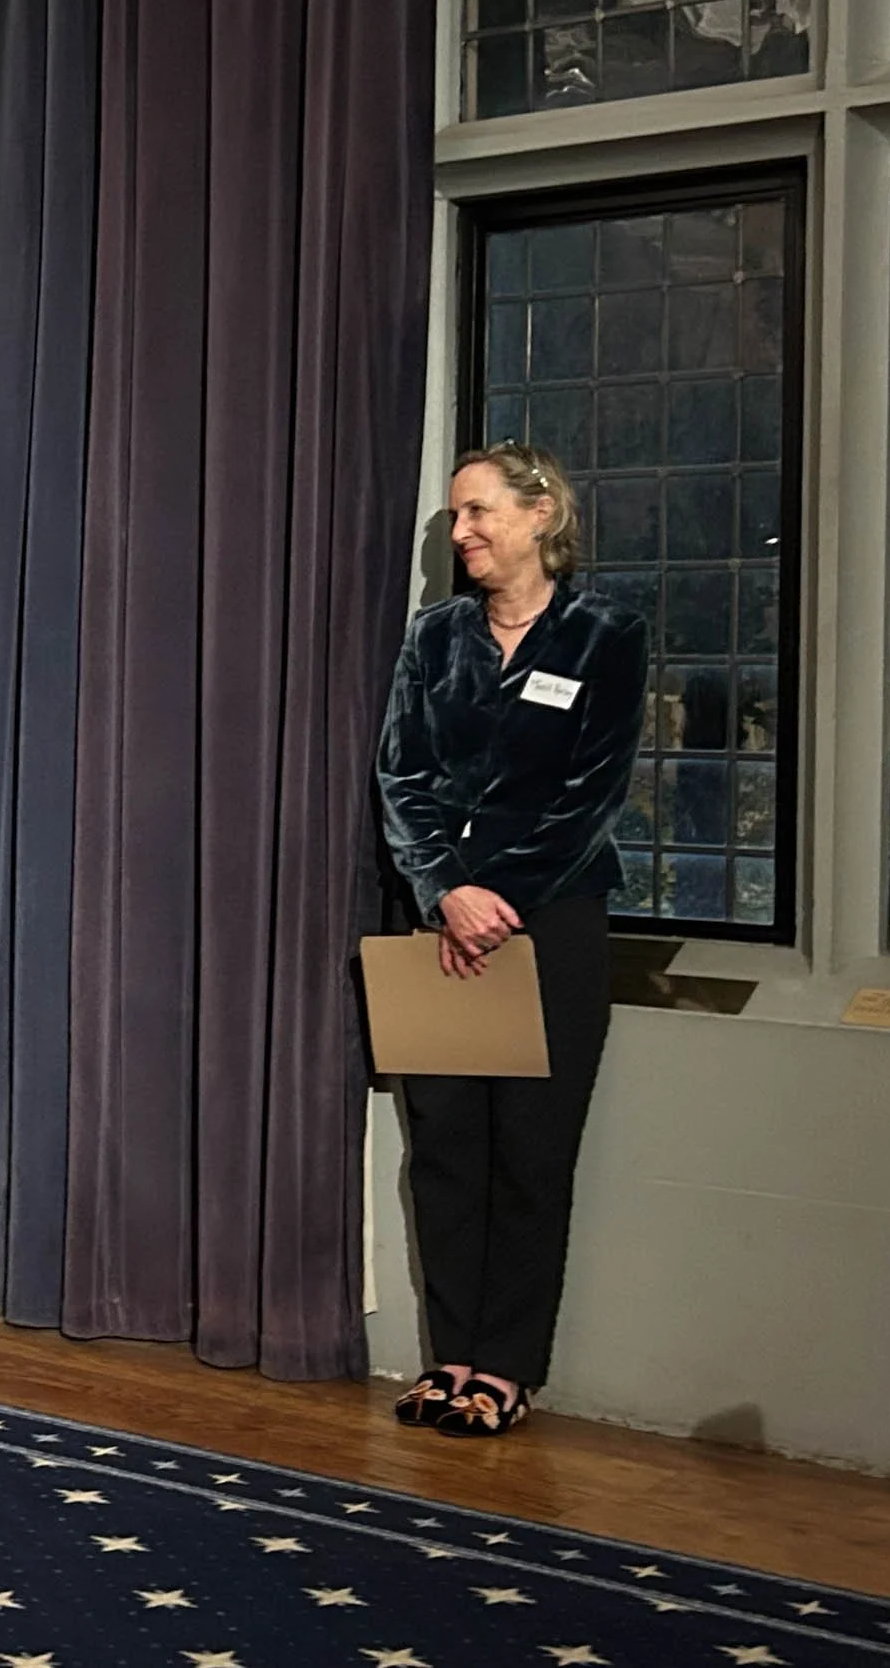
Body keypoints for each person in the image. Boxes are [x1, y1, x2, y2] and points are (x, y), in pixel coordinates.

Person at [374, 441, 648, 1438]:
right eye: (453, 519)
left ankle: (506, 1369)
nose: (463, 535)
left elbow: (591, 795)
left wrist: (498, 897)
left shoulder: (605, 637)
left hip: (553, 927)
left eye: (479, 513)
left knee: (531, 1156)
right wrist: (446, 890)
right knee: (442, 1150)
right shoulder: (434, 637)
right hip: (441, 925)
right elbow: (399, 776)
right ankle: (449, 1358)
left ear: (540, 515)